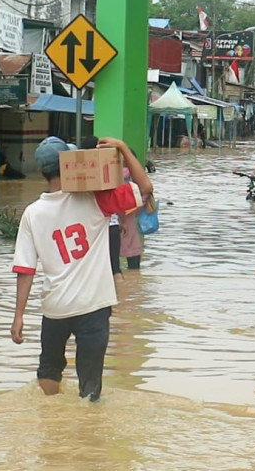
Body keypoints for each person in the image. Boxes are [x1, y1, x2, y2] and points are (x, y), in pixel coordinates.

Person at [9, 135, 153, 401]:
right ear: (70, 164)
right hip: (93, 305)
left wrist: (18, 316)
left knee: (49, 370)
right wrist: (122, 148)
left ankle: (50, 418)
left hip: (55, 308)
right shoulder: (96, 199)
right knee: (90, 385)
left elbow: (25, 269)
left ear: (40, 171)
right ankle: (87, 424)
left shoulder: (32, 213)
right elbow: (145, 187)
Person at [79, 136, 124, 282]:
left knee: (91, 271)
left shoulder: (79, 174)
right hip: (111, 225)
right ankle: (124, 294)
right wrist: (122, 221)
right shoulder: (109, 169)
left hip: (90, 228)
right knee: (115, 269)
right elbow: (118, 197)